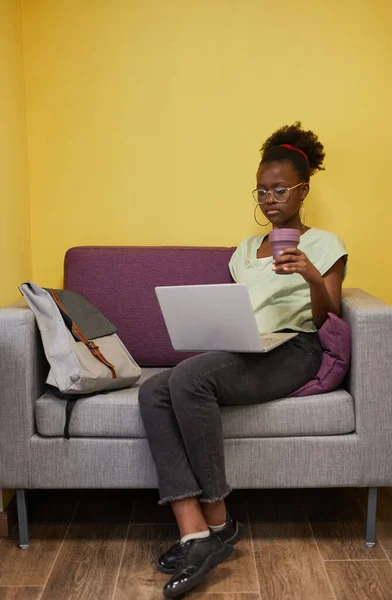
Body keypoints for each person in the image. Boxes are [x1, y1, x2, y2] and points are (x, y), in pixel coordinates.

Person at [138, 122, 348, 599]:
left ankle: (218, 519)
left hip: (297, 349)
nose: (270, 198)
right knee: (152, 389)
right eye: (261, 191)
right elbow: (242, 310)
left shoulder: (325, 244)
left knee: (189, 379)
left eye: (279, 189)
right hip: (249, 348)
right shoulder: (243, 252)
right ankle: (195, 531)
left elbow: (330, 316)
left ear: (302, 189)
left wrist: (312, 276)